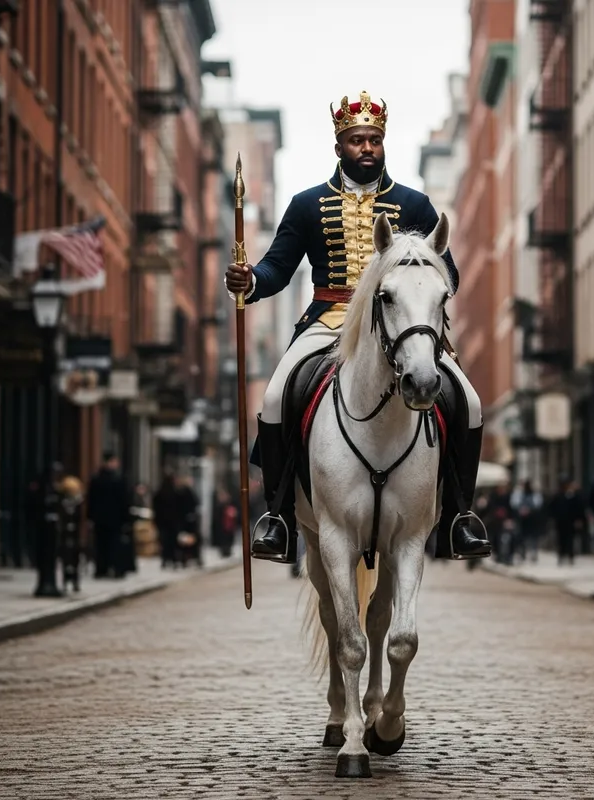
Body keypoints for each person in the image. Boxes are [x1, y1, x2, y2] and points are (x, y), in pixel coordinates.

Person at [225, 90, 490, 564]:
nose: (366, 148)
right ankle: (280, 514)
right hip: (328, 321)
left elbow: (447, 273)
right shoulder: (308, 205)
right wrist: (249, 280)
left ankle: (458, 515)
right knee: (271, 398)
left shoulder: (415, 204)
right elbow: (277, 270)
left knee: (467, 399)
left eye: (374, 140)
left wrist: (422, 291)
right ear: (339, 147)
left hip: (401, 323)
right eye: (356, 140)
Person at [86, 452, 132, 578]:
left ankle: (102, 569)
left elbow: (91, 500)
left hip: (100, 519)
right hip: (115, 519)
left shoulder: (96, 479)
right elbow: (124, 501)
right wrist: (126, 519)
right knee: (114, 545)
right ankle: (115, 569)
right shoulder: (119, 480)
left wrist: (90, 517)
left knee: (101, 545)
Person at [548, 475, 587, 566]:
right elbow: (551, 508)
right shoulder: (557, 495)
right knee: (561, 540)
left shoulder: (573, 495)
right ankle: (561, 556)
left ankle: (570, 556)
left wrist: (579, 519)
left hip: (571, 521)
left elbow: (580, 507)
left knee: (570, 539)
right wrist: (554, 517)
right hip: (560, 521)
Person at [510, 479, 544, 562]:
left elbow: (538, 505)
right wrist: (520, 510)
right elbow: (514, 504)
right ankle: (522, 553)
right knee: (521, 537)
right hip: (521, 520)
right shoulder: (518, 494)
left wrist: (530, 510)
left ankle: (533, 553)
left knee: (533, 537)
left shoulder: (535, 494)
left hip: (532, 519)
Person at [153, 473, 181, 569]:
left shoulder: (159, 493)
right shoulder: (175, 493)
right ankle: (173, 560)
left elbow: (155, 508)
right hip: (172, 522)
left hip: (162, 522)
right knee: (172, 542)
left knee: (164, 541)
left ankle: (165, 560)